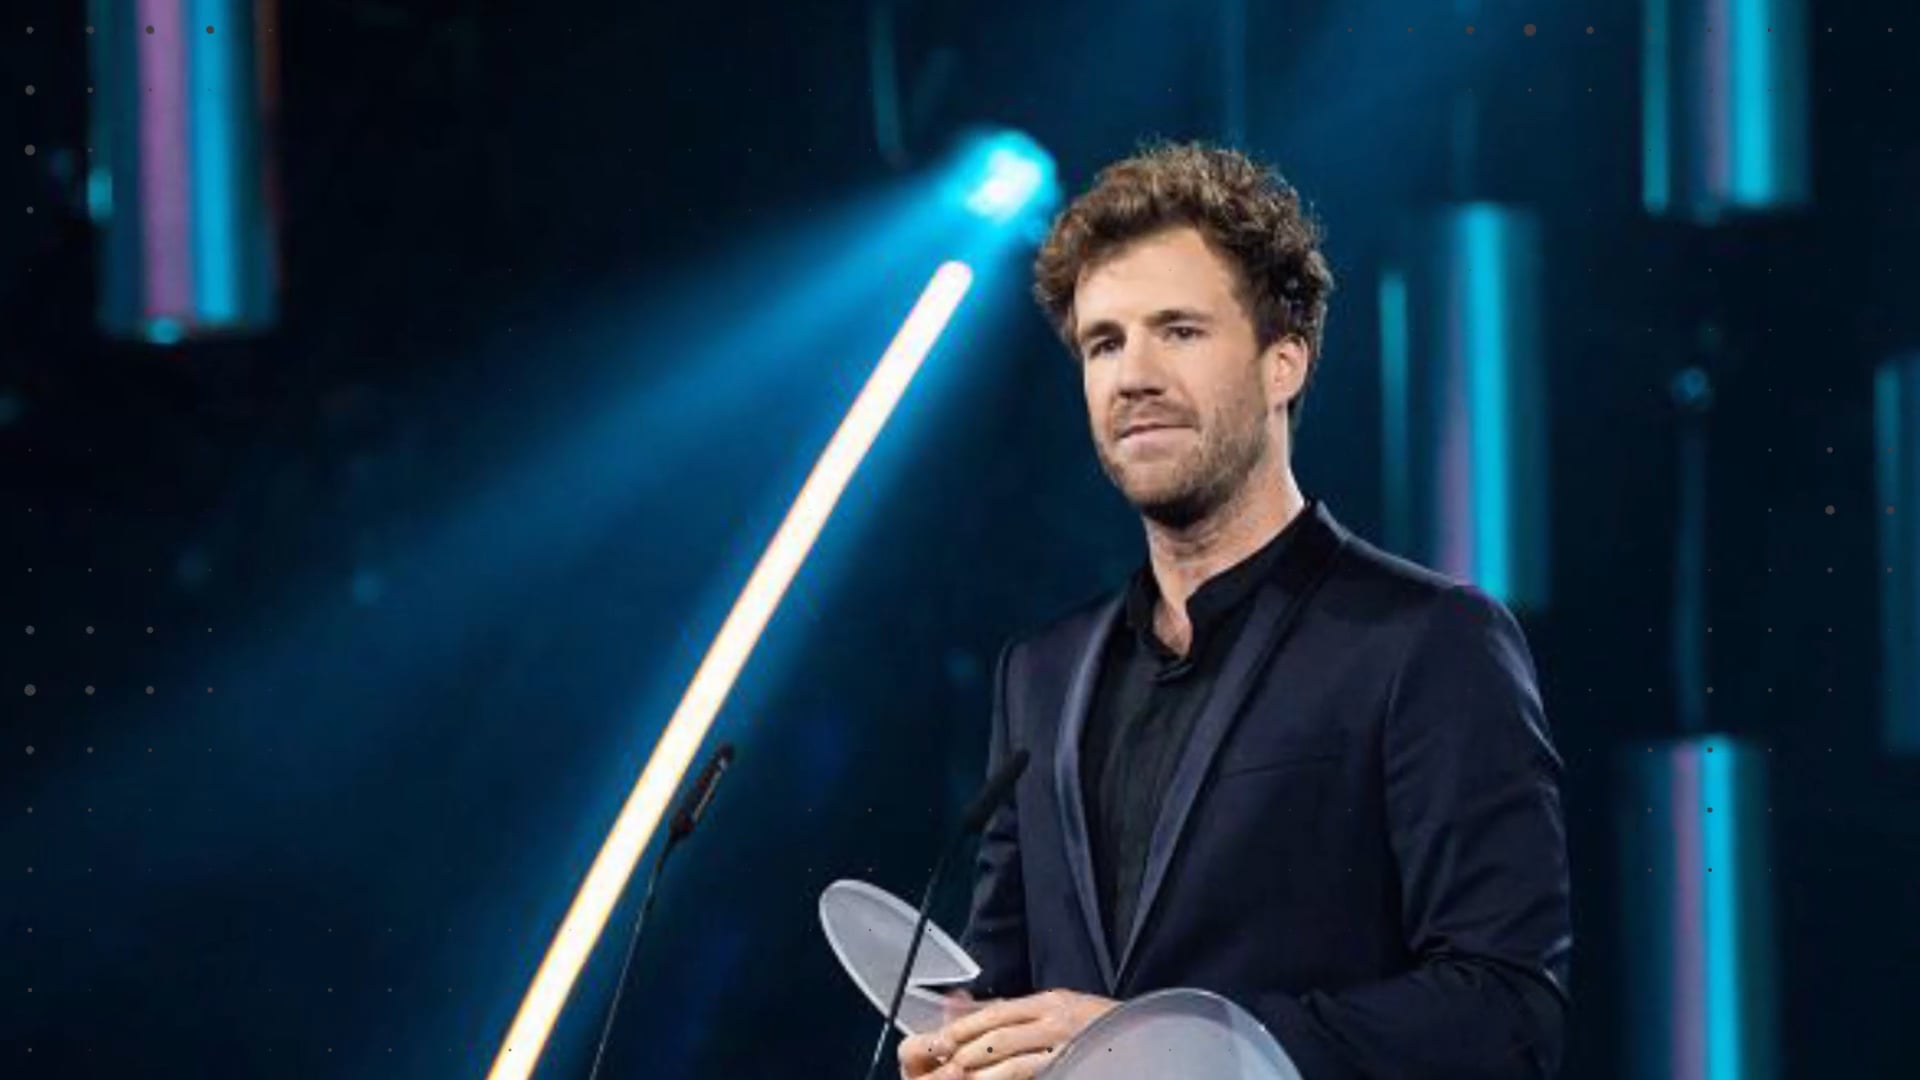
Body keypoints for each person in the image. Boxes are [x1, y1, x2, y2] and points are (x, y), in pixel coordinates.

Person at [897, 142, 1571, 1079]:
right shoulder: (1039, 676)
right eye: (1104, 343)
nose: (1132, 375)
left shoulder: (1428, 642)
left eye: (1178, 331)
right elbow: (1009, 999)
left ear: (1283, 362)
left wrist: (1173, 1050)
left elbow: (1507, 1013)